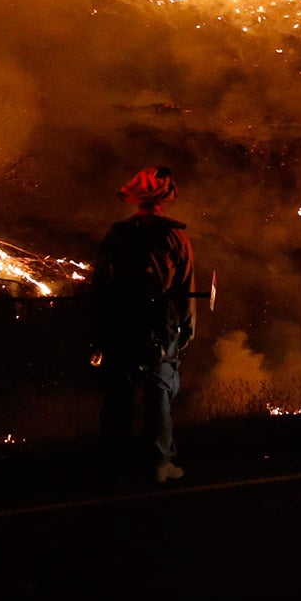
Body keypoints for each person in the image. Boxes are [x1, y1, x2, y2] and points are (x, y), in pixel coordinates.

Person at [90, 165, 195, 484]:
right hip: (158, 326)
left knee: (118, 395)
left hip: (119, 324)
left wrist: (98, 330)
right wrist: (186, 328)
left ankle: (114, 464)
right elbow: (186, 288)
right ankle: (158, 464)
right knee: (158, 392)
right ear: (163, 201)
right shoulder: (176, 237)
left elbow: (99, 285)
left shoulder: (116, 235)